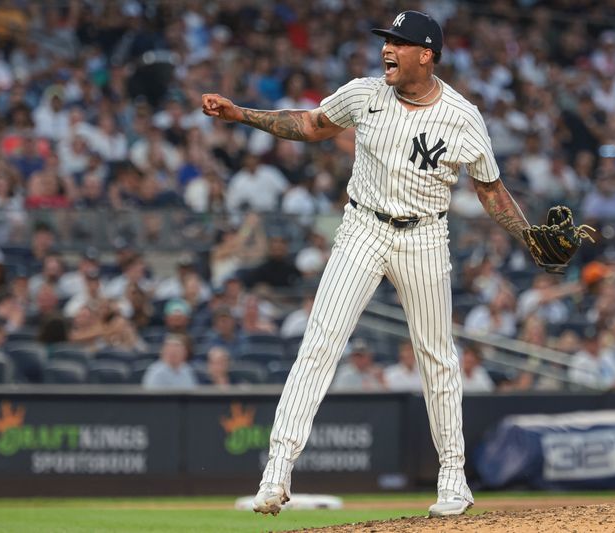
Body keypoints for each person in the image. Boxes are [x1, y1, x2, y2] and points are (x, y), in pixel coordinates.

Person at [202, 10, 536, 517]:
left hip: (424, 235)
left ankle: (453, 478)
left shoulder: (463, 116)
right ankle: (276, 471)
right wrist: (241, 115)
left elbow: (489, 189)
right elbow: (311, 124)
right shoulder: (365, 93)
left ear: (426, 54)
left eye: (399, 43)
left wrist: (529, 236)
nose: (387, 49)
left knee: (437, 356)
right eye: (386, 40)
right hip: (363, 227)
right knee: (319, 344)